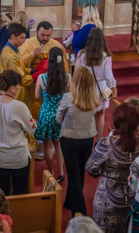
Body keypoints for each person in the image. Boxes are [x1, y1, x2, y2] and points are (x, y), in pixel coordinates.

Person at [86, 103, 139, 232]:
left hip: (107, 200)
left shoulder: (106, 144)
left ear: (117, 121)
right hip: (133, 198)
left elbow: (91, 168)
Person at [0, 70, 37, 196]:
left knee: (2, 193)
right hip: (17, 156)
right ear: (12, 88)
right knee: (20, 192)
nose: (19, 87)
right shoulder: (19, 106)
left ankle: (2, 216)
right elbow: (32, 128)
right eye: (18, 85)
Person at [57, 66, 99, 217]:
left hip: (70, 139)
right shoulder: (95, 97)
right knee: (79, 171)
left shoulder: (68, 97)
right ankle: (70, 201)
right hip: (88, 139)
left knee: (74, 175)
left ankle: (80, 212)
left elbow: (58, 119)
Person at [19, 21, 70, 118]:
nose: (45, 38)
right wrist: (32, 55)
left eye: (48, 35)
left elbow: (64, 66)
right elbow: (20, 63)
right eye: (42, 35)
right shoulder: (27, 43)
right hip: (32, 83)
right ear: (37, 31)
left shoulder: (56, 45)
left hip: (51, 84)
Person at [35, 47, 71, 182]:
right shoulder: (68, 77)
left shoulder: (42, 77)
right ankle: (61, 172)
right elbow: (70, 96)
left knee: (47, 145)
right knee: (58, 144)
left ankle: (50, 172)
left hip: (46, 113)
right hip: (61, 114)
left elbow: (37, 96)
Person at [75, 27, 117, 143]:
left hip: (85, 87)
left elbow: (77, 74)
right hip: (101, 87)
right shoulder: (105, 56)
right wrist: (112, 88)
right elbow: (109, 76)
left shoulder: (81, 54)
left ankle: (87, 140)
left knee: (87, 115)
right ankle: (98, 141)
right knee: (101, 114)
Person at [0, 23, 33, 111]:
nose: (24, 41)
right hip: (14, 94)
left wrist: (34, 70)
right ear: (13, 36)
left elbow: (20, 68)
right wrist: (37, 76)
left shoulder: (13, 49)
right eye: (22, 38)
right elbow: (22, 79)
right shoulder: (10, 56)